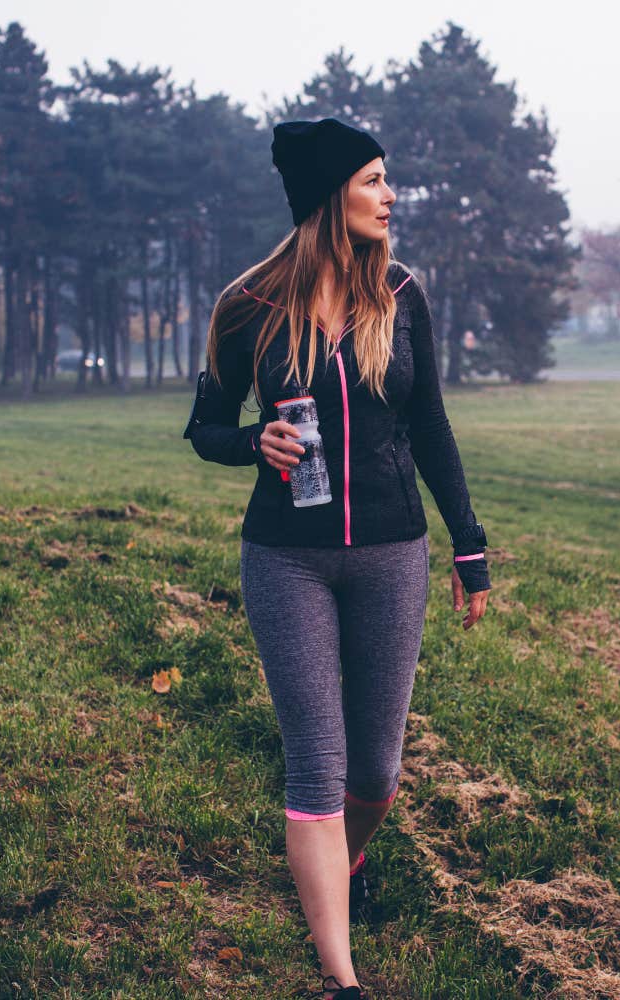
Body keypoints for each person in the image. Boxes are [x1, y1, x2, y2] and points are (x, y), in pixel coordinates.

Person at [182, 117, 492, 1000]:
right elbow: (204, 428)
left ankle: (339, 866)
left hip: (393, 552)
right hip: (289, 559)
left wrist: (468, 544)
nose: (391, 197)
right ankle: (340, 977)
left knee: (376, 774)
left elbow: (430, 424)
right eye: (374, 181)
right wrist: (254, 443)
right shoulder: (248, 306)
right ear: (330, 196)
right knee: (316, 764)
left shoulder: (400, 294)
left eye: (387, 181)